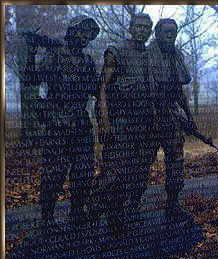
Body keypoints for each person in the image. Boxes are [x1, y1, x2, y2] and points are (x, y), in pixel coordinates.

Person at [23, 15, 100, 230]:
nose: (85, 37)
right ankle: (47, 219)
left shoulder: (87, 61)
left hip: (81, 123)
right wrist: (31, 52)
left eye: (88, 33)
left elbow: (96, 89)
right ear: (71, 32)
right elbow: (31, 79)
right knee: (54, 173)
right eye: (81, 31)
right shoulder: (55, 55)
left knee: (83, 171)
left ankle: (77, 213)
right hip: (57, 123)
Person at [94, 13, 159, 237]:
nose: (142, 30)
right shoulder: (117, 51)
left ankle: (127, 213)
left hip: (147, 126)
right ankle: (100, 215)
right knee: (114, 174)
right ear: (131, 27)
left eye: (146, 27)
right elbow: (102, 88)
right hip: (122, 124)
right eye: (138, 26)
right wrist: (104, 122)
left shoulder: (152, 55)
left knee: (139, 173)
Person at [147, 18, 198, 217]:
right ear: (157, 33)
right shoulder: (147, 54)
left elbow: (179, 91)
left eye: (173, 32)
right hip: (149, 116)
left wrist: (189, 118)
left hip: (171, 116)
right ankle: (129, 207)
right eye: (166, 31)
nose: (170, 35)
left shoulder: (176, 55)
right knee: (142, 163)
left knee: (176, 161)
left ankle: (173, 204)